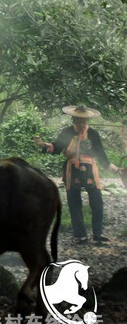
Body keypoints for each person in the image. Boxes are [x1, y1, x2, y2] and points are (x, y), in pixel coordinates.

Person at [34, 105, 121, 245]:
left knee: (97, 201)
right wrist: (43, 145)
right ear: (73, 119)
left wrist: (115, 169)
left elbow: (101, 156)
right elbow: (56, 148)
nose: (82, 124)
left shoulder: (93, 134)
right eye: (79, 121)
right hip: (72, 169)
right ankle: (80, 235)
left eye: (85, 121)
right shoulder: (66, 132)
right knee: (74, 203)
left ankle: (98, 234)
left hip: (90, 170)